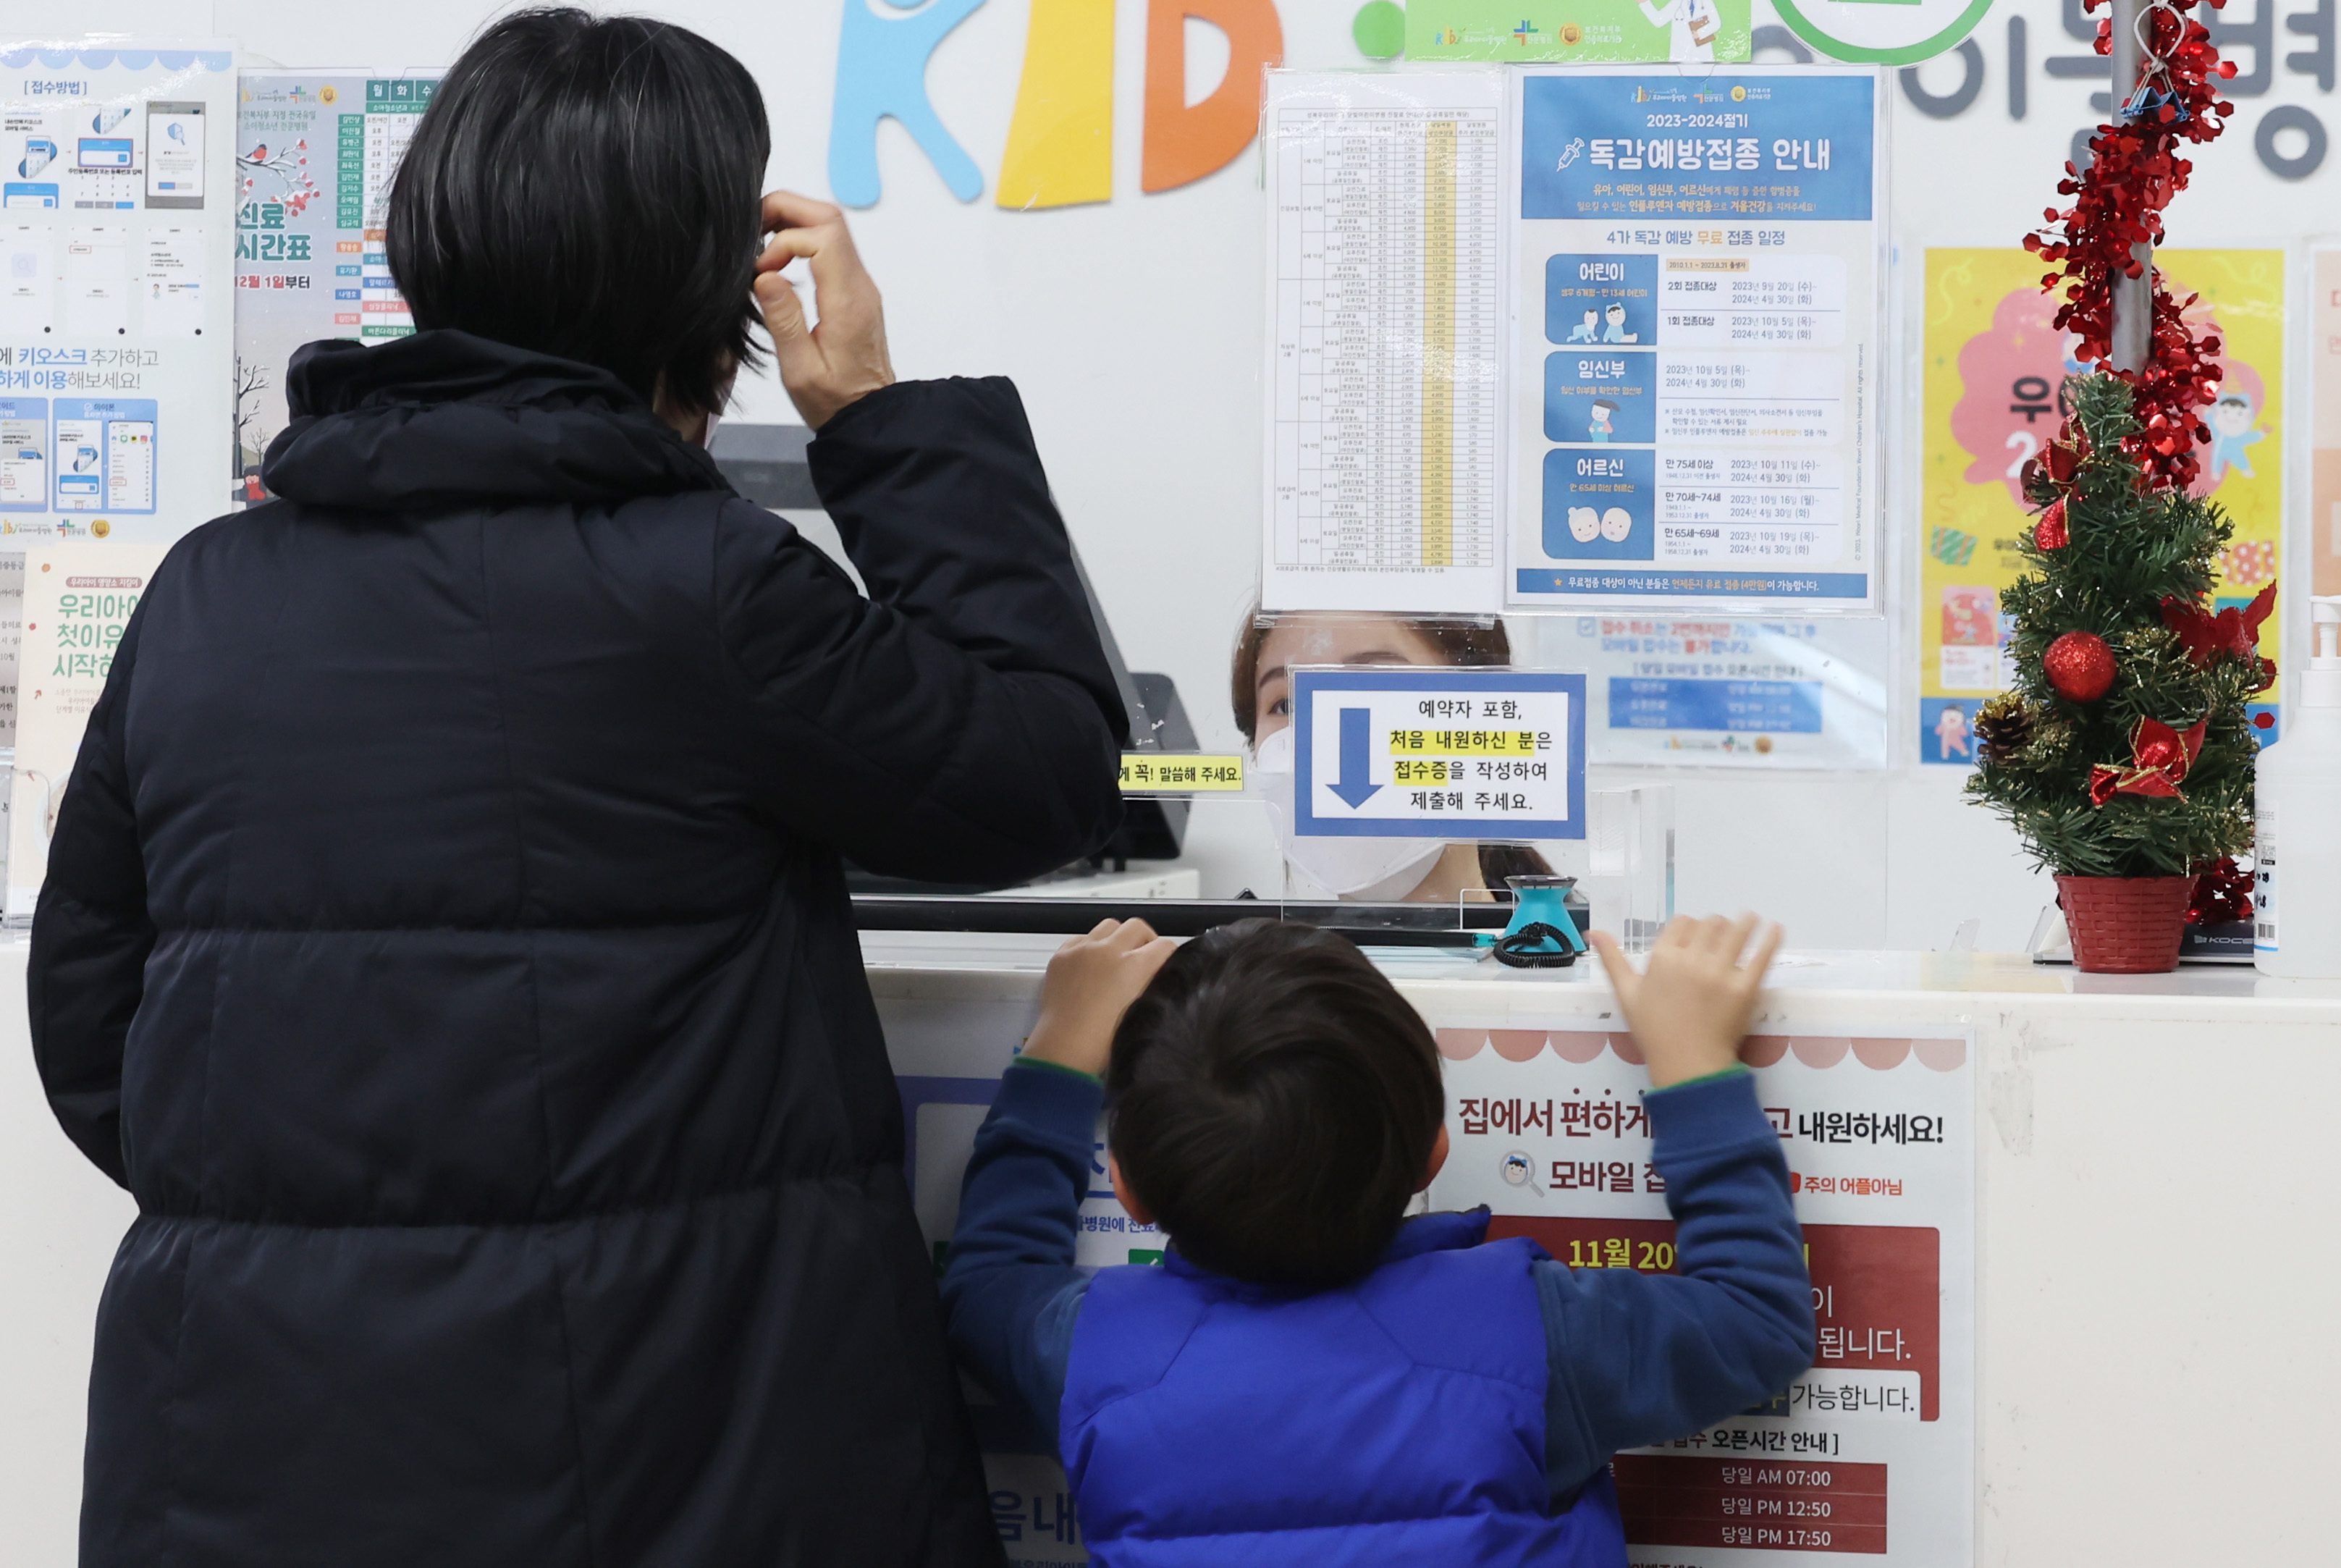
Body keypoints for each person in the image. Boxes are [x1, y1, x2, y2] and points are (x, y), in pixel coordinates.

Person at [29, 10, 1121, 1565]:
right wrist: (878, 419)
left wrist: (311, 1222)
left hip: (253, 1460)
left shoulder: (210, 592)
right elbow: (1049, 778)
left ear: (430, 251)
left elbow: (91, 1027)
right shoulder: (710, 590)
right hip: (676, 1456)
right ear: (710, 295)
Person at [941, 914, 1812, 1564]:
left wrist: (1058, 1053)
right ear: (1435, 1147)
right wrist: (1694, 1060)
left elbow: (983, 1284)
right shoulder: (1532, 1335)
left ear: (1124, 1186)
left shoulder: (1087, 1350)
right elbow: (1757, 1321)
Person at [1232, 609, 1553, 902]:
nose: (1327, 730)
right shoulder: (1240, 964)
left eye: (1371, 684)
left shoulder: (1568, 957)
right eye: (1287, 705)